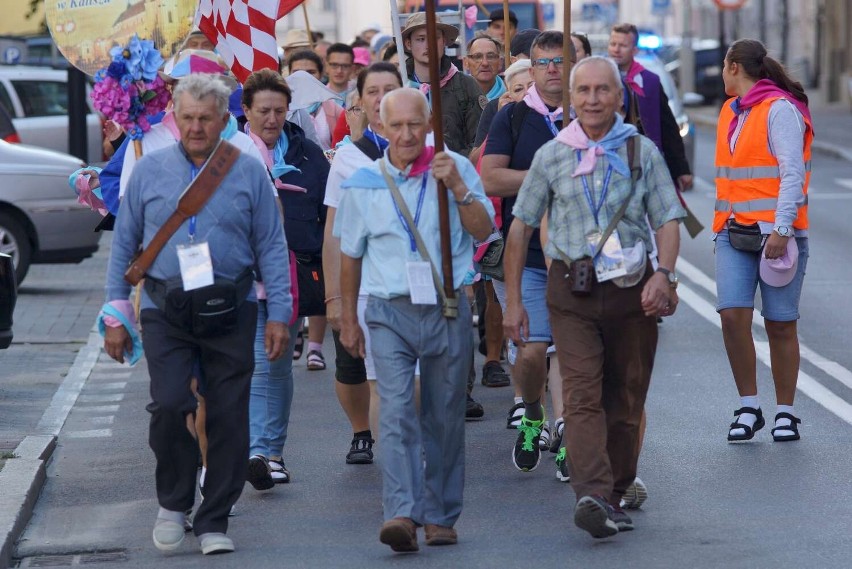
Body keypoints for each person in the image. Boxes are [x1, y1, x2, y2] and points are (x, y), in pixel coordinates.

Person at [102, 73, 293, 555]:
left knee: (228, 415)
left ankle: (214, 519)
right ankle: (173, 499)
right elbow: (124, 244)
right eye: (186, 118)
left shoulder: (248, 169)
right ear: (175, 117)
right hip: (167, 307)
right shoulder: (147, 168)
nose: (195, 127)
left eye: (205, 119)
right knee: (169, 404)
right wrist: (116, 315)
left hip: (233, 307)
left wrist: (280, 315)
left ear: (223, 120)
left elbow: (271, 243)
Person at [504, 55, 685, 538]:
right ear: (571, 98)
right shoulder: (553, 154)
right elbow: (520, 227)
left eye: (602, 90)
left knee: (625, 398)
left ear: (619, 98)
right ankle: (592, 494)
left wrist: (664, 275)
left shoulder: (641, 152)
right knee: (581, 394)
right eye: (582, 91)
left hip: (633, 291)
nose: (591, 100)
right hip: (572, 290)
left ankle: (618, 489)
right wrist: (515, 300)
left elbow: (668, 218)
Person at [336, 87, 494, 553]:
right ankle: (401, 513)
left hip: (446, 306)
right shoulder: (364, 183)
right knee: (399, 411)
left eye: (415, 124)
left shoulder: (455, 169)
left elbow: (484, 231)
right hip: (387, 312)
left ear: (429, 125)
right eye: (396, 126)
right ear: (380, 129)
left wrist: (460, 191)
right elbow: (349, 255)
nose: (405, 134)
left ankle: (441, 515)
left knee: (444, 414)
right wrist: (348, 318)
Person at [481, 31, 575, 469]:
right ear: (531, 68)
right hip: (530, 258)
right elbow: (491, 179)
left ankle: (571, 439)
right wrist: (547, 174)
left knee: (573, 355)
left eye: (561, 60)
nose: (553, 68)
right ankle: (534, 415)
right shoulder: (513, 118)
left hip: (583, 257)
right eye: (544, 62)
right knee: (534, 353)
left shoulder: (589, 114)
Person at [714, 39, 812, 443]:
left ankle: (785, 413)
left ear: (734, 66)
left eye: (724, 66)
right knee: (732, 316)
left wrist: (782, 229)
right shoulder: (730, 111)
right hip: (732, 232)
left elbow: (792, 174)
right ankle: (749, 406)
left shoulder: (780, 109)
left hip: (778, 237)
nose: (721, 73)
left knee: (780, 324)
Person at [240, 68, 329, 488]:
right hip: (240, 278)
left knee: (276, 366)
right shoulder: (233, 152)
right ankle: (257, 449)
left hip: (290, 276)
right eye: (263, 111)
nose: (272, 119)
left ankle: (271, 451)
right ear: (246, 111)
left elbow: (326, 214)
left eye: (279, 110)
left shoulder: (308, 154)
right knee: (258, 364)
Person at [323, 62, 403, 463]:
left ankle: (414, 448)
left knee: (418, 384)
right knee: (375, 379)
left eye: (390, 88)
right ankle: (392, 464)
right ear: (361, 100)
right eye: (373, 90)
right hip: (370, 288)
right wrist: (334, 298)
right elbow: (334, 233)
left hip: (422, 288)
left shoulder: (432, 151)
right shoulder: (349, 158)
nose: (381, 97)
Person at [608, 23, 692, 192]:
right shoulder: (599, 76)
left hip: (642, 160)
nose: (616, 49)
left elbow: (667, 126)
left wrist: (681, 168)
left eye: (623, 45)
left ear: (634, 50)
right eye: (613, 44)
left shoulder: (650, 81)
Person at [402, 11, 483, 158]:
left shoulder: (466, 86)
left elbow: (480, 141)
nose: (428, 45)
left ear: (444, 41)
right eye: (420, 39)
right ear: (408, 44)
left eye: (435, 37)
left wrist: (454, 163)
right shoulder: (398, 87)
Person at [287, 50, 344, 152]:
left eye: (311, 72)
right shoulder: (282, 109)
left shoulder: (335, 110)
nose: (303, 78)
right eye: (297, 72)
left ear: (321, 74)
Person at [464, 35, 506, 101]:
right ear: (466, 63)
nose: (485, 63)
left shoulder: (512, 95)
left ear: (500, 62)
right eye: (477, 57)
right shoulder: (456, 97)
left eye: (491, 56)